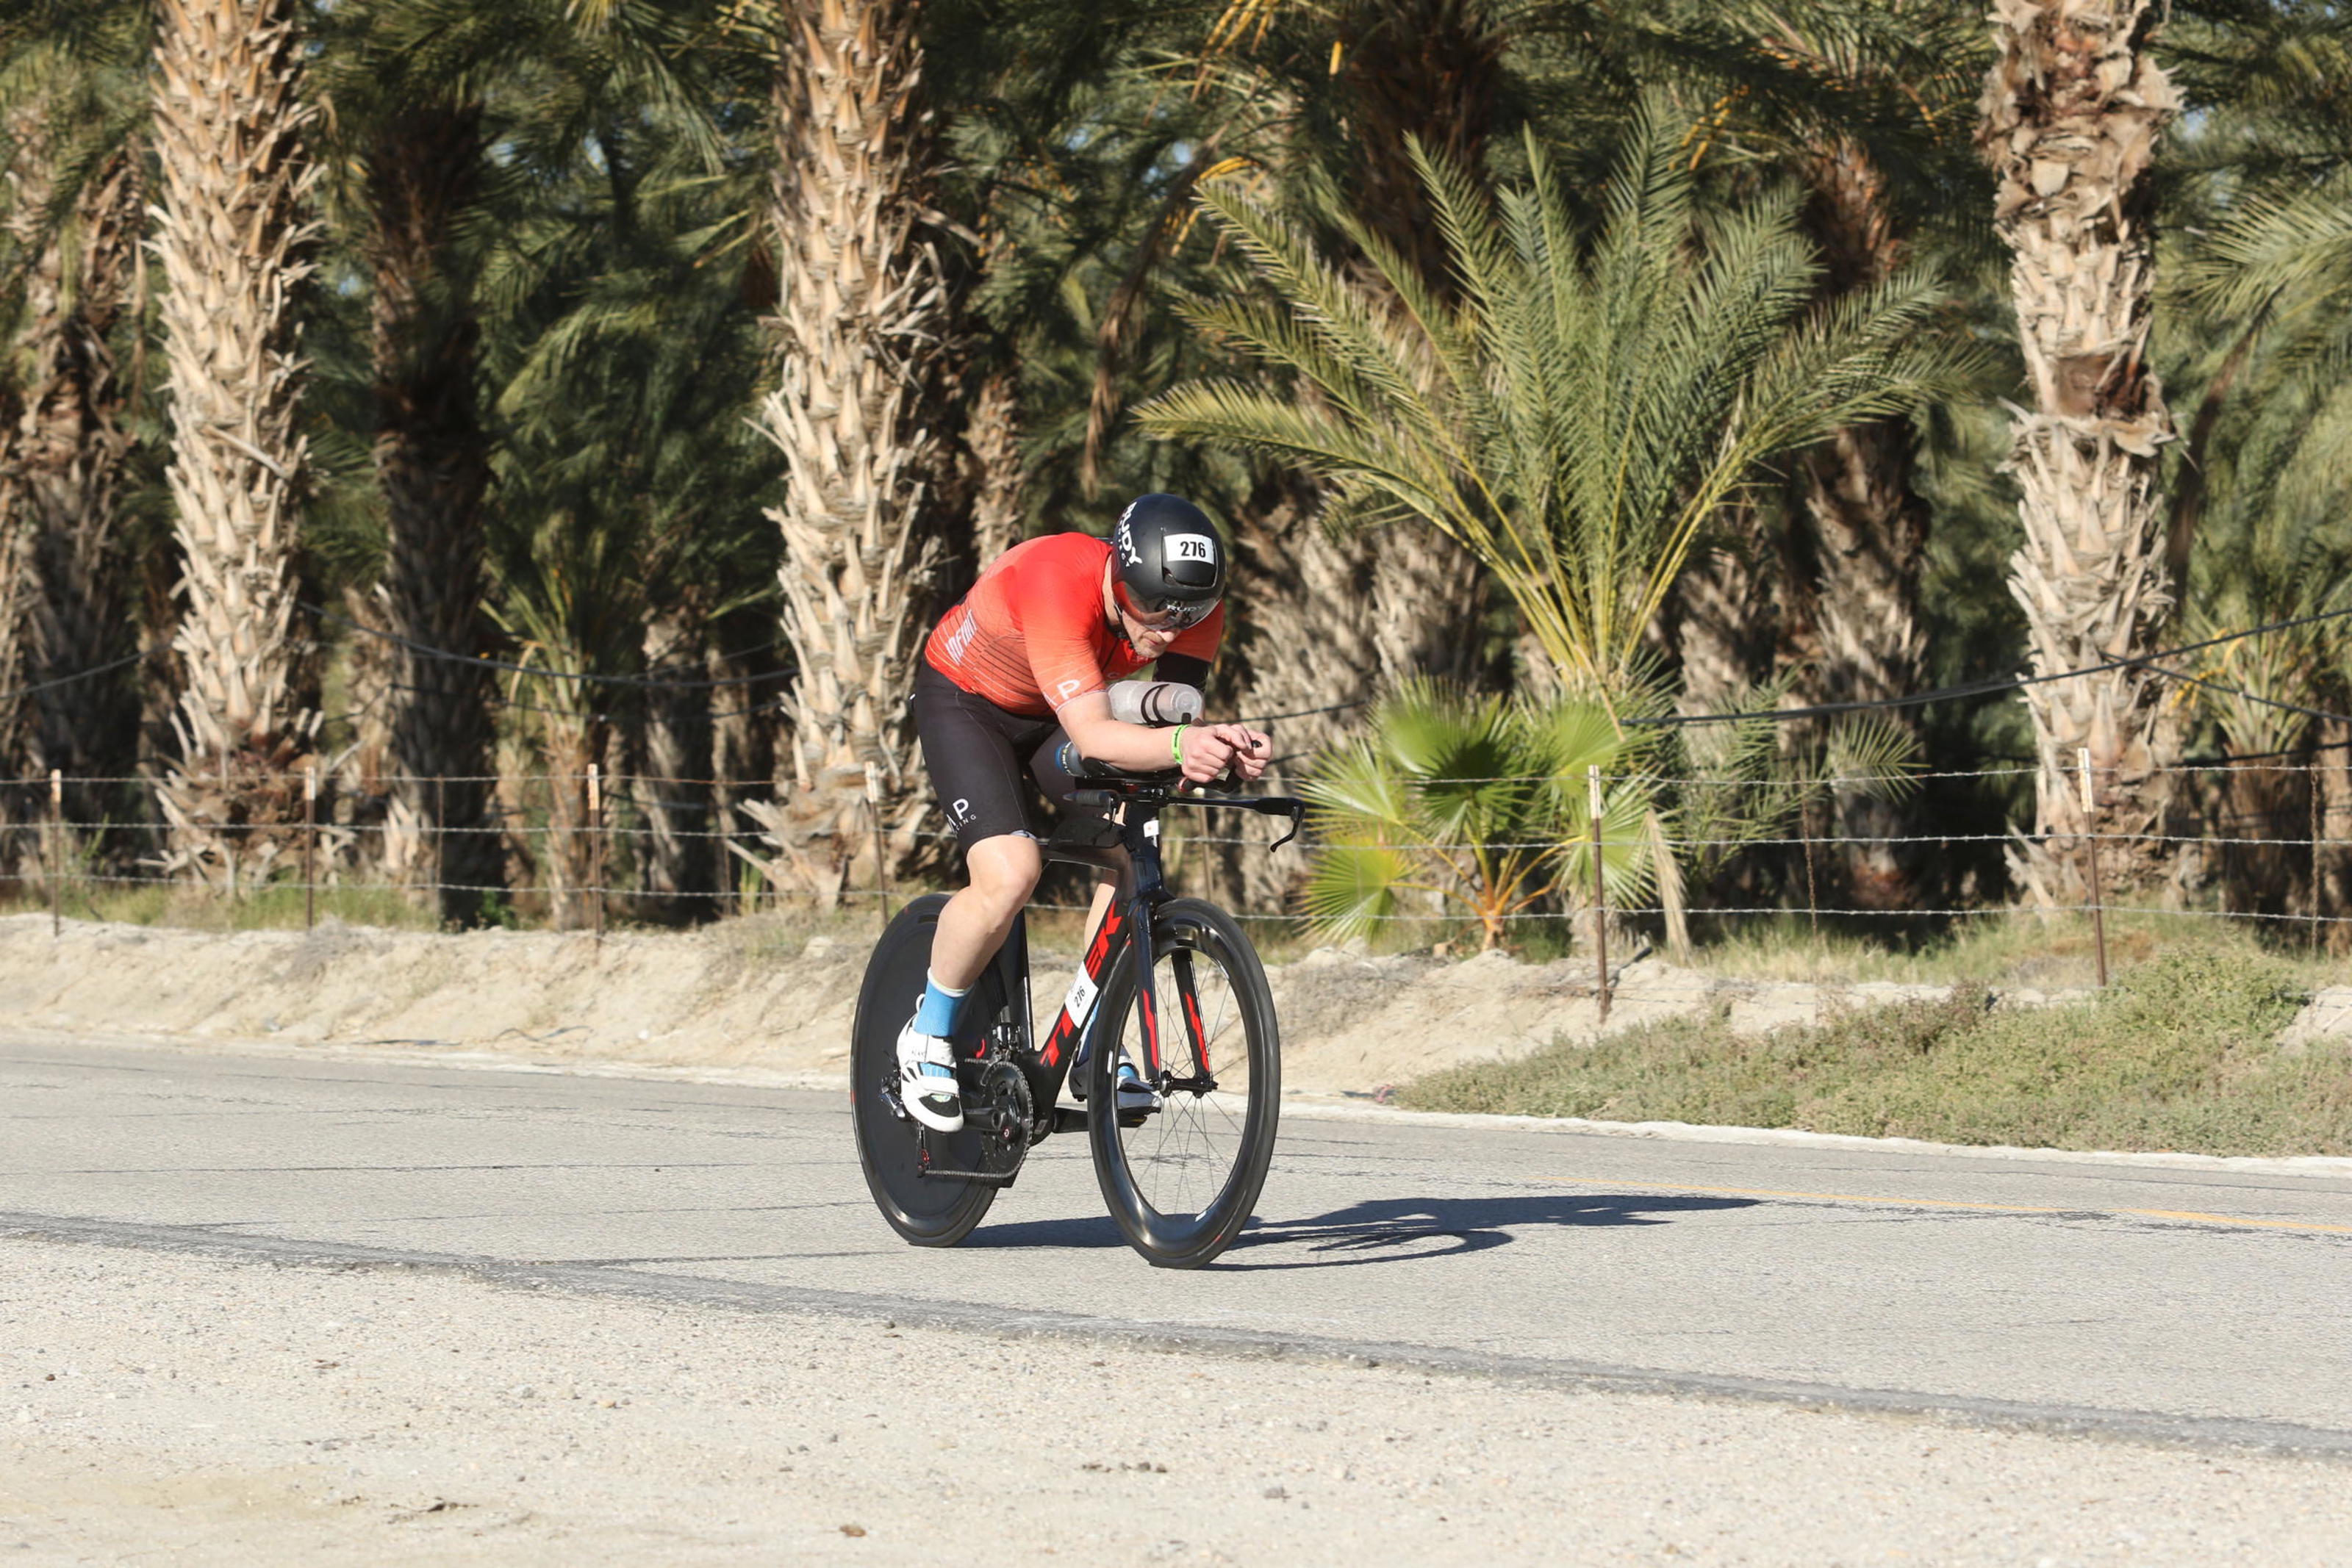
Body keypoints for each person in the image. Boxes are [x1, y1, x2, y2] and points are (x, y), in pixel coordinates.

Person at [899, 493, 1271, 1132]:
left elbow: (1174, 707)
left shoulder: (1189, 608)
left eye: (1190, 613)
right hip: (968, 705)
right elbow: (1098, 736)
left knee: (1128, 846)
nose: (1168, 628)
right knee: (1011, 873)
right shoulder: (1057, 579)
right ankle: (926, 1034)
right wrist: (1183, 745)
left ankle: (1094, 1033)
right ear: (1118, 578)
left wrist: (1217, 745)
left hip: (1060, 712)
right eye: (1153, 607)